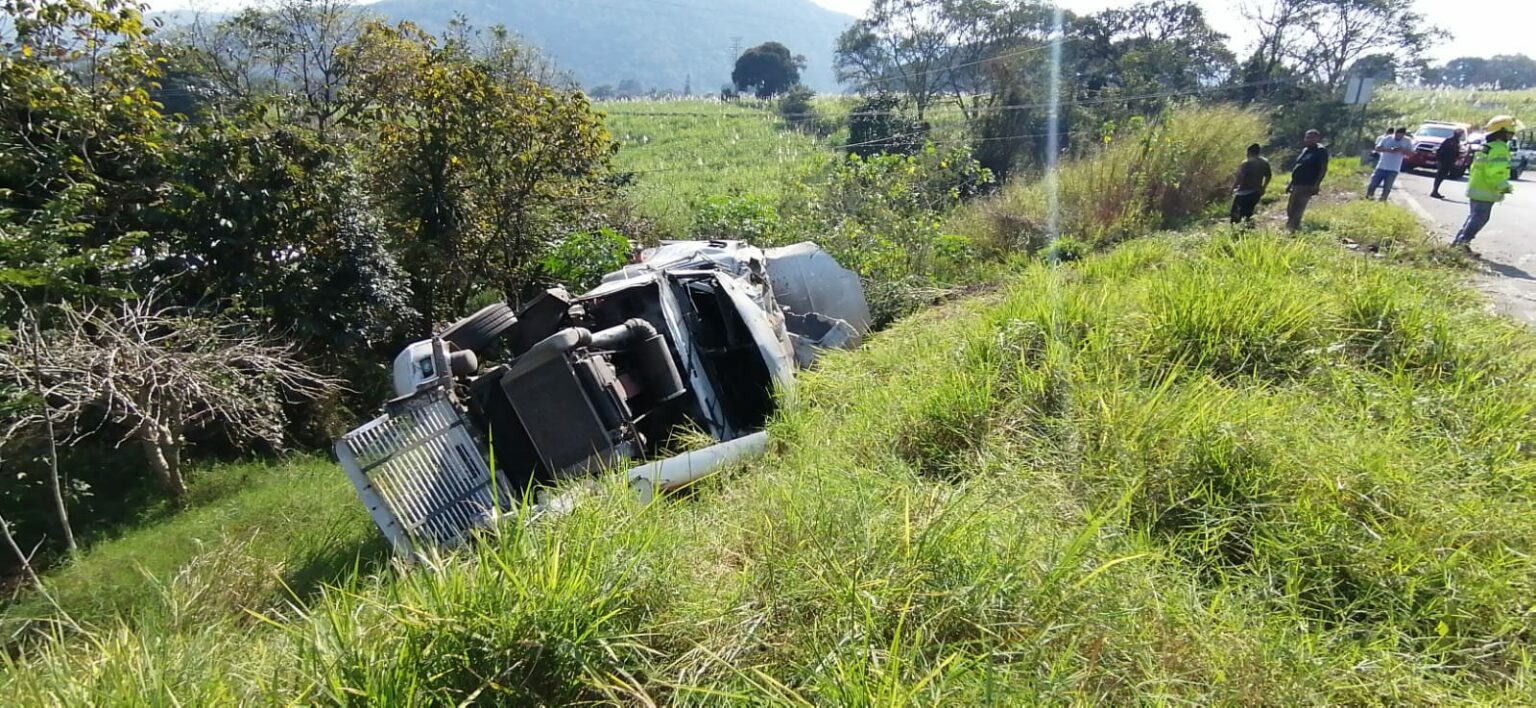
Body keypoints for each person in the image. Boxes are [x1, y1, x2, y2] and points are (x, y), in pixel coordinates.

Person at [1453, 115, 1523, 251]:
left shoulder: (1486, 146)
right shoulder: (1499, 149)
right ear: (1502, 132)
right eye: (1510, 131)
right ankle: (1462, 244)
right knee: (1480, 218)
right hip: (1486, 190)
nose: (1512, 134)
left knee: (1474, 217)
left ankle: (1458, 242)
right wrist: (1504, 187)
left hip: (1476, 187)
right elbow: (1496, 172)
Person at [1285, 129, 1329, 232]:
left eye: (1311, 137)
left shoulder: (1320, 151)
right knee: (1290, 207)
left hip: (1308, 184)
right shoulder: (1305, 150)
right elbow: (1298, 166)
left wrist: (1317, 185)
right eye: (1307, 137)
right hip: (1297, 183)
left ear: (1317, 138)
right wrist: (1291, 183)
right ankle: (1291, 226)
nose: (1308, 139)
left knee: (1298, 207)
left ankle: (1292, 229)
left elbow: (1323, 168)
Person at [1366, 126, 1414, 201]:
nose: (1398, 137)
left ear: (1403, 135)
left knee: (1387, 187)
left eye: (1400, 136)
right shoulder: (1387, 138)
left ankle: (1382, 200)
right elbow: (1377, 148)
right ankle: (1369, 197)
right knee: (1373, 184)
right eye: (1396, 135)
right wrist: (1388, 149)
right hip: (1382, 166)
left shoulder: (1407, 141)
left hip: (1394, 168)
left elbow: (1411, 154)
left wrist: (1402, 150)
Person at [1230, 143, 1272, 224]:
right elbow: (1268, 176)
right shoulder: (1264, 162)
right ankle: (1249, 228)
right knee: (1248, 213)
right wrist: (1263, 187)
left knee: (1235, 214)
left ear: (1249, 152)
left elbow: (1239, 178)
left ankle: (1238, 229)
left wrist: (1233, 188)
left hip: (1243, 192)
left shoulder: (1246, 163)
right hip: (1256, 192)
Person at [1430, 127, 1465, 199]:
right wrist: (1439, 160)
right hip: (1444, 161)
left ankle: (1435, 191)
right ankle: (1434, 191)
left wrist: (1456, 158)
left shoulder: (1456, 141)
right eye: (1460, 133)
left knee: (1443, 176)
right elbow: (1440, 150)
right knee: (1440, 176)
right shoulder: (1449, 140)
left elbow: (1456, 152)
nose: (1460, 135)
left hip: (1449, 161)